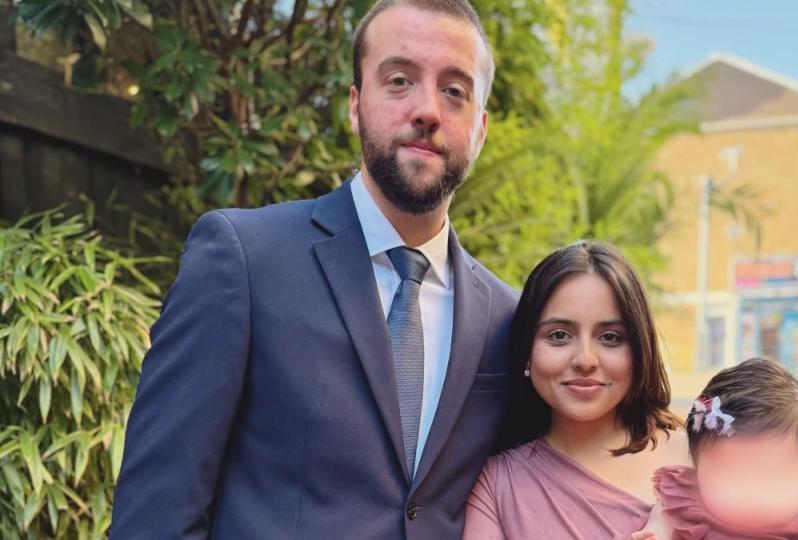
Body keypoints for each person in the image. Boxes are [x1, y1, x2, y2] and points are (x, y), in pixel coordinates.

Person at [110, 1, 518, 537]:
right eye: (399, 80)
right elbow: (157, 512)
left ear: (481, 129)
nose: (427, 110)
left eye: (455, 91)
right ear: (355, 105)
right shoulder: (243, 260)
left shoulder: (507, 319)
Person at [463, 241, 688, 539]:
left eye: (610, 337)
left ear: (639, 351)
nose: (585, 360)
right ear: (526, 350)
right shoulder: (495, 486)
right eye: (559, 335)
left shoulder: (697, 459)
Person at [638, 357, 798, 540]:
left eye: (775, 476)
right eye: (732, 475)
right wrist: (655, 533)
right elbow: (662, 520)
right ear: (697, 468)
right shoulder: (686, 503)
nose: (753, 494)